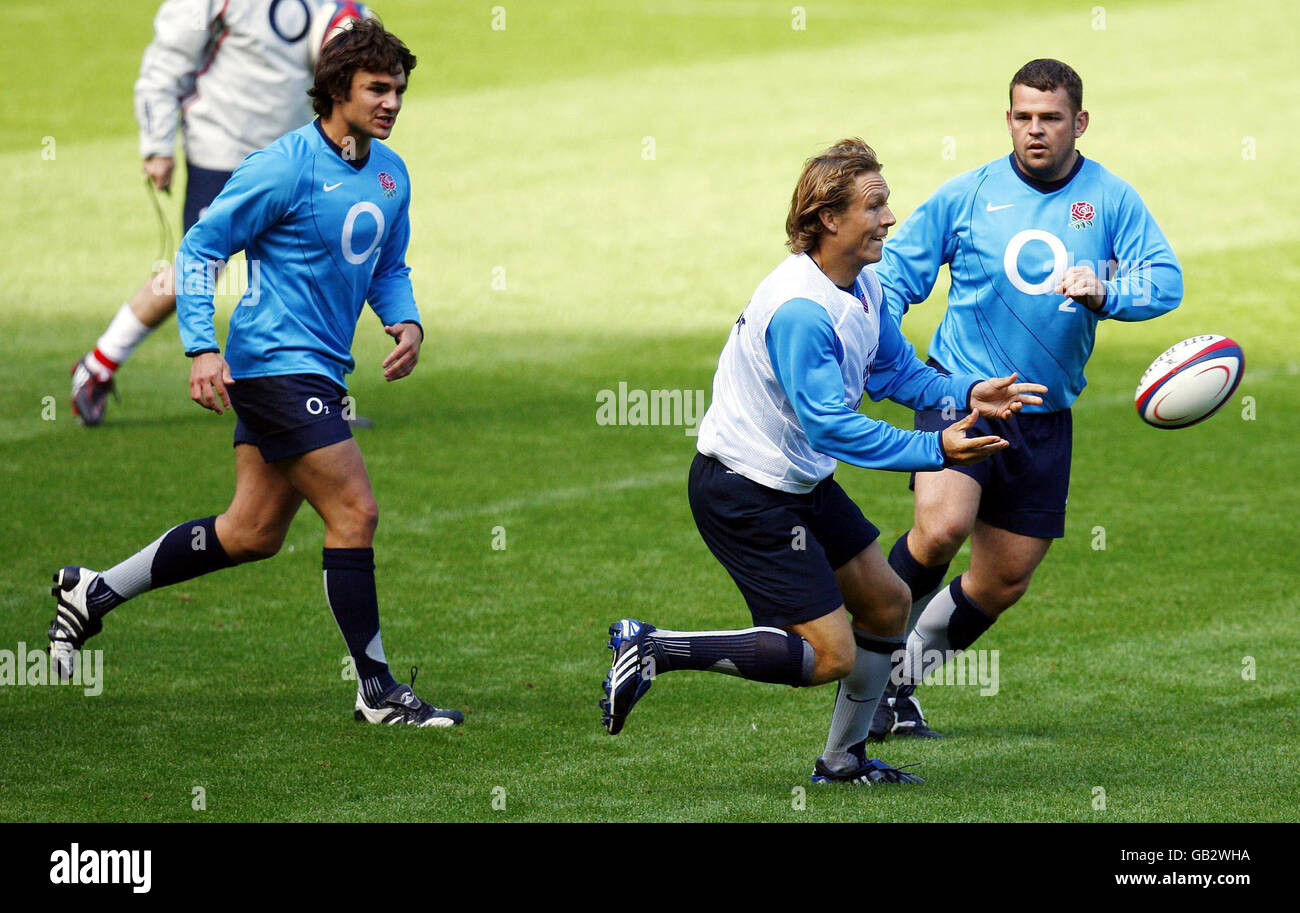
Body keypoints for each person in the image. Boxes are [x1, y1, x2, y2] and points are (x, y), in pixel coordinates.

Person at [47, 20, 462, 727]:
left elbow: (389, 266)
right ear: (337, 90)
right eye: (377, 89)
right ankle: (377, 689)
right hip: (273, 366)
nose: (392, 102)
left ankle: (93, 593)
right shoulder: (284, 166)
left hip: (319, 370)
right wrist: (200, 347)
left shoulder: (391, 173)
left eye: (398, 90)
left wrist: (408, 320)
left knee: (250, 532)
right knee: (355, 510)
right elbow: (201, 249)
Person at [599, 139, 1047, 783]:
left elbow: (893, 370)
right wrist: (935, 448)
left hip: (798, 485)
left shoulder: (862, 284)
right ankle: (654, 648)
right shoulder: (803, 311)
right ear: (829, 218)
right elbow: (832, 426)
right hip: (745, 490)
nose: (890, 217)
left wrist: (965, 393)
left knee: (890, 602)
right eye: (875, 205)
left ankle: (843, 761)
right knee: (829, 654)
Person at [869, 59, 1183, 739]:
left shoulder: (1110, 199)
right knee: (942, 528)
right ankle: (862, 657)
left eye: (1050, 118)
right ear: (1008, 119)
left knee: (1004, 579)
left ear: (1080, 122)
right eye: (1023, 117)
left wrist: (1109, 292)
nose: (1035, 131)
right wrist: (882, 350)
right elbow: (895, 276)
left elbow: (1166, 280)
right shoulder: (970, 192)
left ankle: (897, 685)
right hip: (966, 393)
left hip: (1044, 417)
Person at [69, 0, 374, 426]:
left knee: (309, 268)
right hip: (223, 148)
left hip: (293, 155)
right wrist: (157, 144)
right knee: (196, 269)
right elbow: (167, 60)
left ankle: (317, 398)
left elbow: (351, 45)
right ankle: (99, 365)